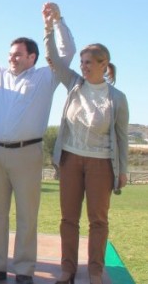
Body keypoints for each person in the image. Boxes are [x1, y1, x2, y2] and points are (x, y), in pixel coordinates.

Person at [0, 3, 76, 284]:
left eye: (18, 54)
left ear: (32, 57)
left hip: (27, 153)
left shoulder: (47, 75)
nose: (12, 58)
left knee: (26, 216)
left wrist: (57, 21)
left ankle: (23, 271)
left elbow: (67, 53)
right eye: (10, 54)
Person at [45, 28, 129, 284]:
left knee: (98, 220)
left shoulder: (117, 98)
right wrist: (51, 26)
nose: (83, 67)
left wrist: (122, 169)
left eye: (88, 63)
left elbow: (122, 137)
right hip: (70, 159)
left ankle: (95, 271)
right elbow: (54, 60)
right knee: (68, 218)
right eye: (81, 63)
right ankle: (67, 270)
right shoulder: (74, 84)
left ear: (104, 65)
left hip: (101, 164)